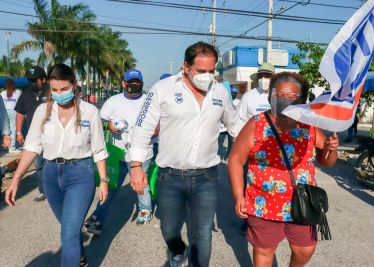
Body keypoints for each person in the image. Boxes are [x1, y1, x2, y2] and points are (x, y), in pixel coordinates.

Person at [129, 42, 244, 267]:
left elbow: (236, 126)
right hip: (170, 176)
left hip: (207, 177)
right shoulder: (163, 89)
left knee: (202, 235)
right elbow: (142, 129)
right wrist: (135, 167)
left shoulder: (220, 91)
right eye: (201, 71)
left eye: (212, 71)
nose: (207, 76)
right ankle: (177, 250)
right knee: (169, 229)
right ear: (185, 66)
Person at [228, 72, 339, 267]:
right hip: (263, 201)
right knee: (264, 250)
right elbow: (236, 159)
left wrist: (331, 149)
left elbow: (326, 161)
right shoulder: (257, 123)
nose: (283, 100)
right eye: (278, 95)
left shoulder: (309, 125)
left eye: (291, 96)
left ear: (301, 99)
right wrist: (239, 195)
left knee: (305, 249)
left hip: (301, 202)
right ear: (270, 95)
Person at [5, 63, 108, 267]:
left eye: (64, 89)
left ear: (74, 85)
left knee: (68, 232)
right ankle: (79, 257)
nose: (59, 94)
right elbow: (32, 146)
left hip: (80, 175)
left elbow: (98, 149)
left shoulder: (89, 112)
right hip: (51, 175)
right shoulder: (43, 111)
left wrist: (103, 180)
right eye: (55, 90)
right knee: (68, 227)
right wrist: (16, 179)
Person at [84, 69, 154, 235]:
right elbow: (100, 121)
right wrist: (110, 126)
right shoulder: (113, 101)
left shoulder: (149, 102)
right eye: (131, 83)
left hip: (141, 152)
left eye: (138, 83)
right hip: (117, 152)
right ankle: (98, 216)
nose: (134, 86)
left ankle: (145, 210)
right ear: (124, 83)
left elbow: (158, 124)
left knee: (140, 184)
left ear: (142, 84)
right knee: (111, 185)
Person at [14, 66, 49, 203]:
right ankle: (43, 191)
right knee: (39, 164)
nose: (32, 83)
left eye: (35, 80)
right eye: (30, 80)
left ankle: (58, 188)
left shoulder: (52, 91)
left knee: (56, 164)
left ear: (44, 79)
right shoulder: (25, 93)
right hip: (34, 137)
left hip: (53, 137)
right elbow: (20, 114)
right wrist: (18, 132)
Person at [1, 79, 21, 152]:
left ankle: (5, 146)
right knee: (13, 129)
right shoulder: (18, 92)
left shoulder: (2, 93)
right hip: (13, 112)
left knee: (5, 130)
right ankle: (11, 148)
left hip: (4, 112)